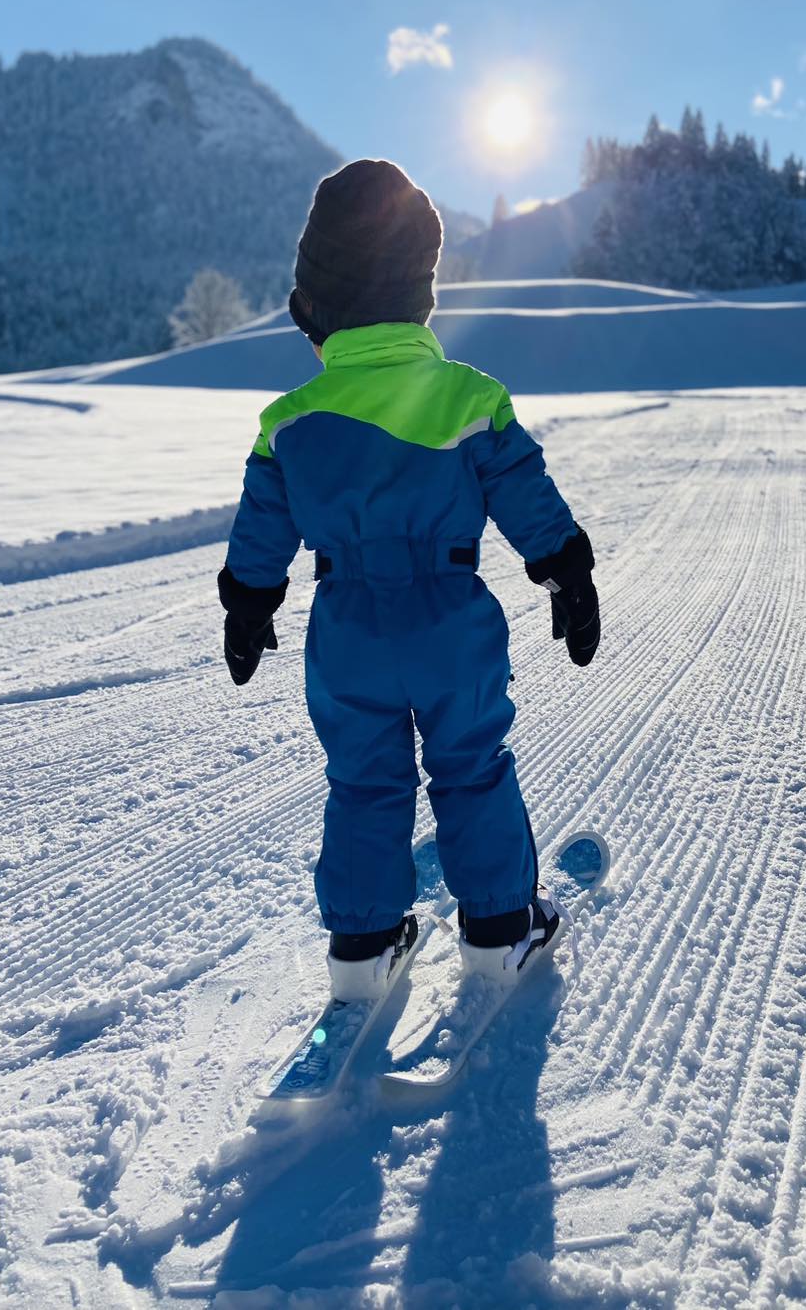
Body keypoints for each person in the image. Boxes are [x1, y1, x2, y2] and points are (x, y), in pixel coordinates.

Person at [218, 160, 599, 1001]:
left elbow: (261, 529)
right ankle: (499, 932)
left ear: (311, 311)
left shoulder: (289, 422)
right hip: (450, 621)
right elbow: (524, 492)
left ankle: (361, 948)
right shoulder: (470, 395)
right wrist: (566, 571)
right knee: (470, 765)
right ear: (422, 297)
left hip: (346, 628)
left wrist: (247, 605)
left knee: (363, 778)